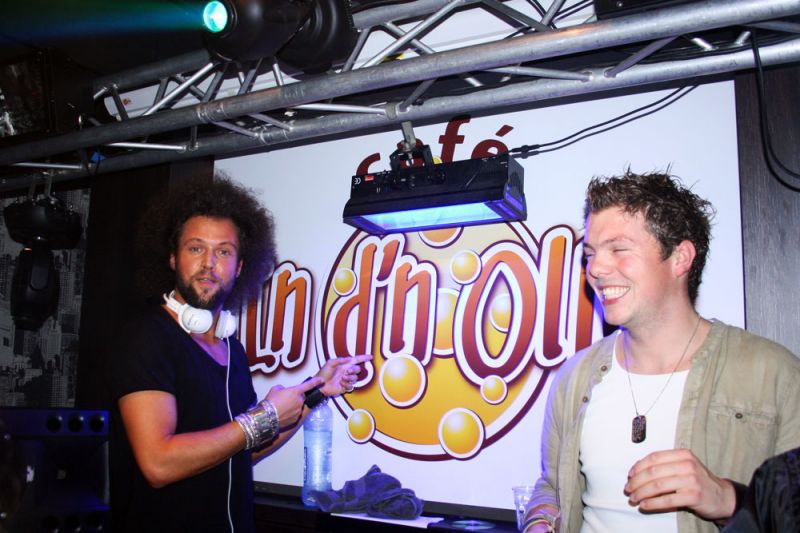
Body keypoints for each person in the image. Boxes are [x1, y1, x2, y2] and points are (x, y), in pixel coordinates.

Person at [522, 170, 800, 533]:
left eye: (619, 249)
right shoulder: (575, 376)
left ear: (680, 258)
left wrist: (727, 499)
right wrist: (541, 520)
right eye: (590, 254)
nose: (596, 268)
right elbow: (552, 486)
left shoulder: (774, 374)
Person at [110, 175, 371, 533]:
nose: (208, 263)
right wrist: (264, 417)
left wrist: (317, 393)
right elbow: (158, 464)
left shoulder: (231, 349)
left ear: (240, 267)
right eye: (195, 248)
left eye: (223, 252)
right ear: (172, 258)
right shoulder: (148, 336)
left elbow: (244, 450)